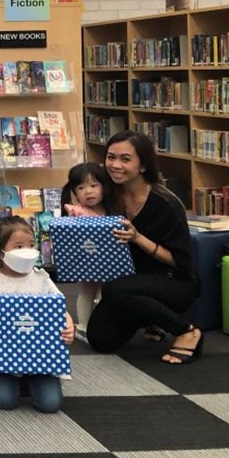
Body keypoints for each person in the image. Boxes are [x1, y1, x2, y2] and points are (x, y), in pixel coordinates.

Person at [87, 130, 202, 364]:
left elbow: (181, 263)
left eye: (125, 159)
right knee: (100, 339)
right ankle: (151, 319)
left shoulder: (165, 204)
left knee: (114, 290)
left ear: (142, 166)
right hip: (130, 282)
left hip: (173, 281)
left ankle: (186, 330)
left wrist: (138, 238)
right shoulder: (108, 195)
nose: (115, 165)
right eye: (110, 157)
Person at [0, 215, 74, 412]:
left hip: (42, 356)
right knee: (4, 402)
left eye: (31, 245)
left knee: (50, 405)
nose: (27, 251)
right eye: (18, 247)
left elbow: (59, 308)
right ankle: (12, 380)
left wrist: (68, 326)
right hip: (2, 357)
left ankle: (32, 378)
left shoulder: (41, 278)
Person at [60, 162, 116, 339]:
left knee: (105, 292)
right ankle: (83, 325)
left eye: (94, 185)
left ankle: (102, 325)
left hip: (108, 260)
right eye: (81, 187)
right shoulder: (78, 211)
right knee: (86, 290)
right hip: (86, 260)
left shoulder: (111, 210)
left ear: (104, 187)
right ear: (75, 193)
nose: (88, 191)